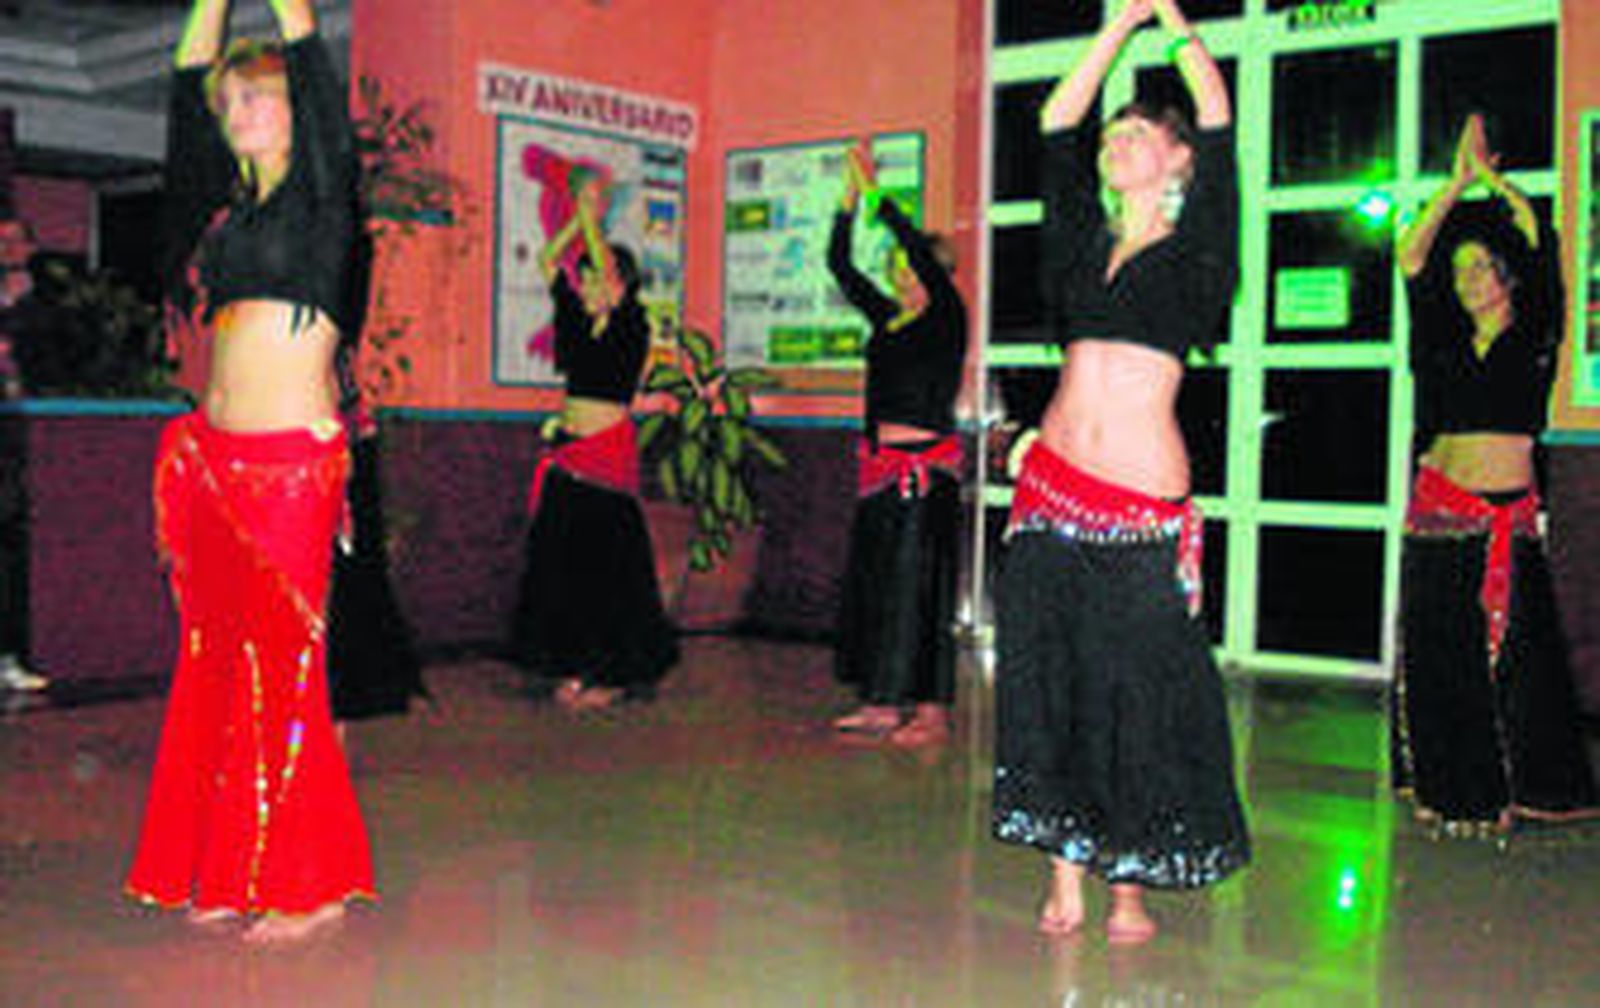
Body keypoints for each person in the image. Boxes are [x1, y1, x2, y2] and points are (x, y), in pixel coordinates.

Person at [991, 0, 1249, 944]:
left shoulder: (1199, 251)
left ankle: (1128, 884)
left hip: (1136, 506)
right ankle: (1065, 872)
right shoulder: (1079, 246)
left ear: (1177, 161)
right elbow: (1057, 120)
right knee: (1050, 682)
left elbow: (1216, 113)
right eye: (1115, 135)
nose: (1116, 142)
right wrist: (1111, 34)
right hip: (1048, 492)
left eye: (1137, 133)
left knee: (1132, 695)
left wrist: (1165, 17)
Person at [124, 0, 374, 944]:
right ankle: (230, 865)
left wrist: (290, 12)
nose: (238, 114)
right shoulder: (227, 214)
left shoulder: (325, 200)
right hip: (214, 461)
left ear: (295, 109)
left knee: (285, 673)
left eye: (257, 99)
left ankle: (310, 884)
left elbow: (319, 84)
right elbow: (183, 95)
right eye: (232, 104)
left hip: (290, 469)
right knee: (216, 669)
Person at [1392, 114, 1598, 833]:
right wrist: (1452, 186)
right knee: (1440, 650)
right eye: (1460, 271)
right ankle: (1451, 785)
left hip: (1502, 509)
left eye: (1479, 266)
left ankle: (1523, 785)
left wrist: (1492, 182)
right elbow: (1410, 255)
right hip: (1435, 511)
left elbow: (1539, 236)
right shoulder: (1442, 340)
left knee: (1518, 657)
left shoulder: (1536, 332)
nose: (1466, 280)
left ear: (1507, 276)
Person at [507, 178, 679, 711]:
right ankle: (572, 664)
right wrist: (574, 225)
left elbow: (606, 268)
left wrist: (590, 219)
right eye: (583, 280)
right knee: (561, 565)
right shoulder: (576, 324)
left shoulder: (633, 324)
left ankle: (612, 673)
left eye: (596, 279)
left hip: (606, 456)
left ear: (620, 284)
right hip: (568, 453)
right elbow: (547, 262)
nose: (586, 287)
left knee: (608, 569)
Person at [827, 140, 967, 746]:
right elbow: (839, 264)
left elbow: (913, 243)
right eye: (898, 271)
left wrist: (876, 193)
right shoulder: (887, 319)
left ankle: (931, 711)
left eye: (913, 269)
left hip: (925, 473)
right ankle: (882, 702)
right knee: (880, 586)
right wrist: (847, 199)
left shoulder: (947, 316)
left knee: (922, 588)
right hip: (881, 469)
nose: (904, 278)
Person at [0, 216, 47, 694]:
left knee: (13, 546)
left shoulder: (45, 299)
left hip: (22, 437)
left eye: (15, 241)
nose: (8, 249)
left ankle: (11, 653)